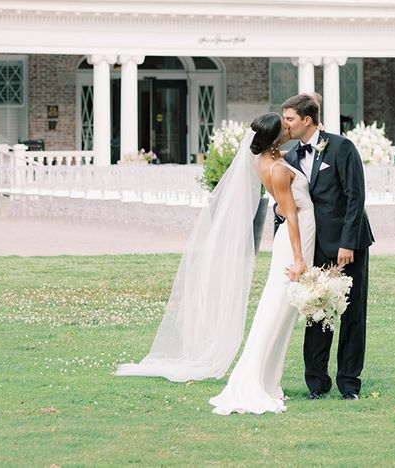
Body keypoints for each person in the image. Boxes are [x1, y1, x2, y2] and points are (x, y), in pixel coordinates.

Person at [117, 112, 315, 416]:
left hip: (298, 232)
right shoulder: (275, 168)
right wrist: (299, 259)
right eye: (284, 127)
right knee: (274, 311)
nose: (289, 128)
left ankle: (269, 379)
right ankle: (252, 380)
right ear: (275, 138)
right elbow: (288, 214)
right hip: (294, 240)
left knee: (282, 312)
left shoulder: (265, 159)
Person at [280, 93, 375, 400]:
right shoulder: (291, 157)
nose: (285, 125)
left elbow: (355, 198)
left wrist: (347, 243)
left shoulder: (342, 147)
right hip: (314, 247)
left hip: (349, 246)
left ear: (307, 120)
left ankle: (349, 383)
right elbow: (289, 201)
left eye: (290, 119)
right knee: (316, 313)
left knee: (351, 314)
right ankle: (317, 383)